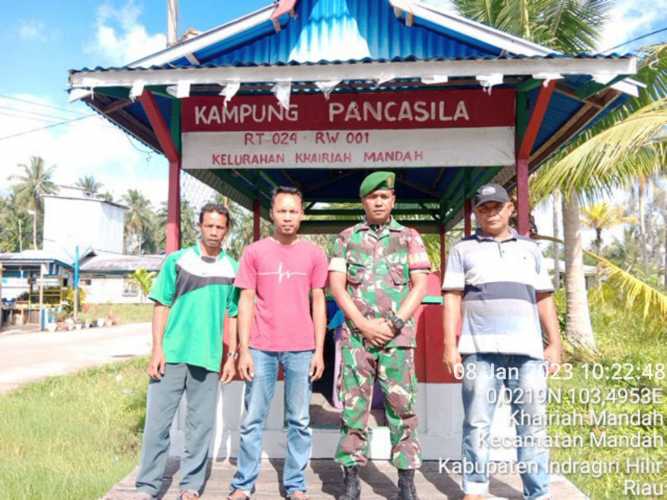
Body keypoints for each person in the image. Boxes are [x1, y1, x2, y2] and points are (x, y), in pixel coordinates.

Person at [441, 183, 562, 500]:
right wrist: (450, 347)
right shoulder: (461, 250)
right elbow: (452, 298)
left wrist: (555, 344)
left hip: (529, 354)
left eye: (497, 206)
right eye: (484, 207)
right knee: (477, 424)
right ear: (476, 213)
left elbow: (544, 298)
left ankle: (537, 493)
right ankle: (475, 488)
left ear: (510, 209)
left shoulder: (530, 249)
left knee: (532, 427)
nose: (491, 212)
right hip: (479, 353)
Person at [328, 171, 430, 500]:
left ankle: (406, 481)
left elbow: (420, 285)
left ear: (393, 201)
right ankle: (351, 477)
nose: (379, 202)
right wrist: (361, 323)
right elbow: (336, 286)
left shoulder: (410, 237)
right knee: (353, 408)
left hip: (397, 339)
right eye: (373, 197)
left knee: (402, 409)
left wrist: (394, 323)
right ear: (364, 201)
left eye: (384, 196)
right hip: (358, 339)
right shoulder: (345, 238)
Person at [135, 203, 240, 500]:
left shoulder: (232, 268)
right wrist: (157, 349)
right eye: (209, 226)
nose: (214, 232)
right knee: (157, 424)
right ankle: (147, 486)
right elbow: (161, 305)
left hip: (207, 358)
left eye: (220, 227)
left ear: (226, 230)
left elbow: (232, 314)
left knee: (200, 426)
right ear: (200, 226)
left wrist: (230, 356)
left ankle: (190, 486)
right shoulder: (178, 261)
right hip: (172, 354)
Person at [228, 186, 328, 500]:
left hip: (300, 347)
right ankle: (243, 484)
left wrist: (319, 350)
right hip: (260, 346)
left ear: (302, 214)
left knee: (299, 419)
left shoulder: (314, 253)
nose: (287, 217)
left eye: (293, 211)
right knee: (253, 418)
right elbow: (245, 301)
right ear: (272, 213)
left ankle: (296, 484)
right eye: (282, 211)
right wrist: (243, 350)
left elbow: (319, 301)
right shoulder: (254, 252)